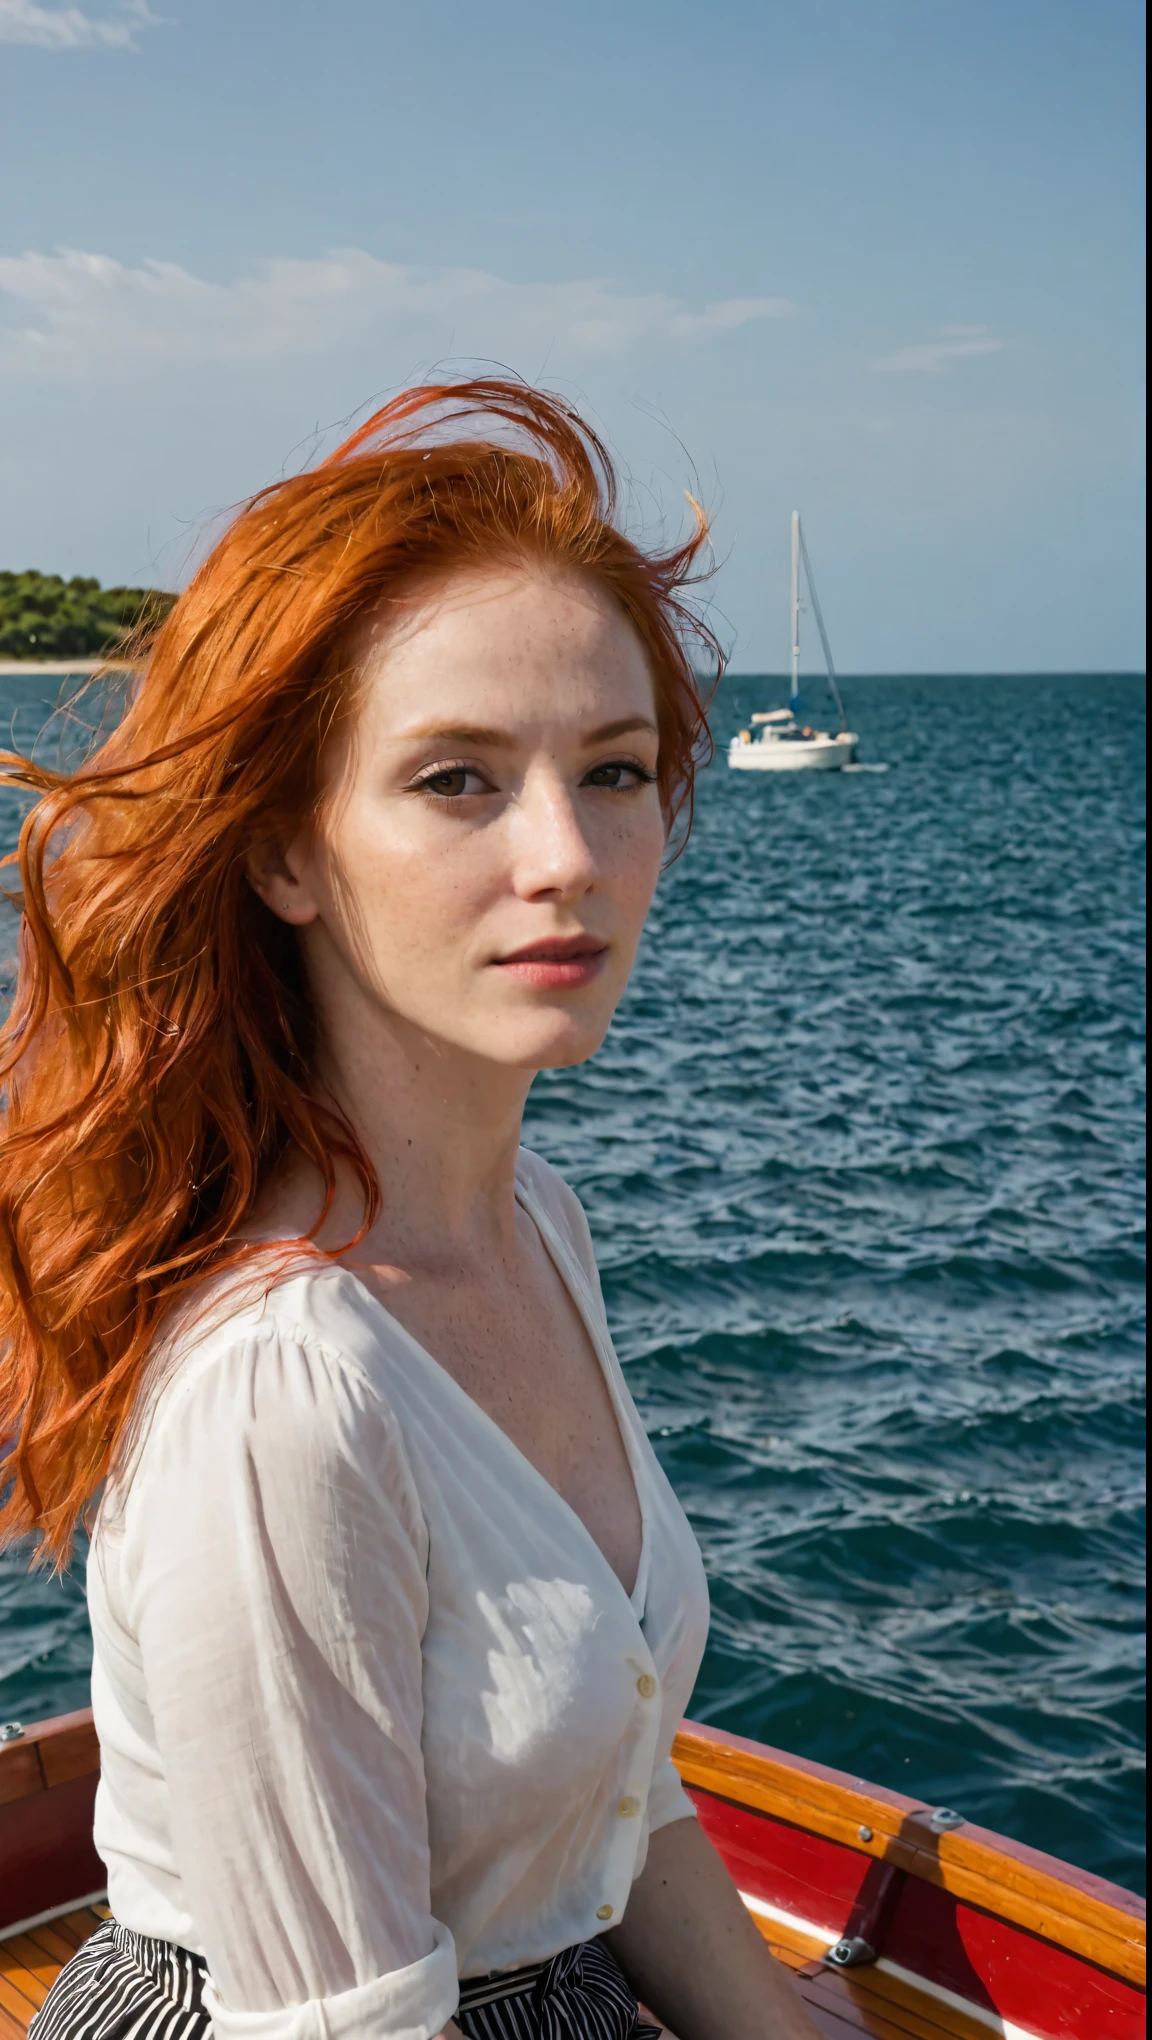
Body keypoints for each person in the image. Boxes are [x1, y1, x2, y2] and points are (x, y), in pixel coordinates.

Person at [1, 380, 820, 2040]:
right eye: (458, 780)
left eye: (614, 770)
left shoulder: (538, 1229)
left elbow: (614, 1791)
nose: (568, 855)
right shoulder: (285, 1395)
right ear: (291, 855)